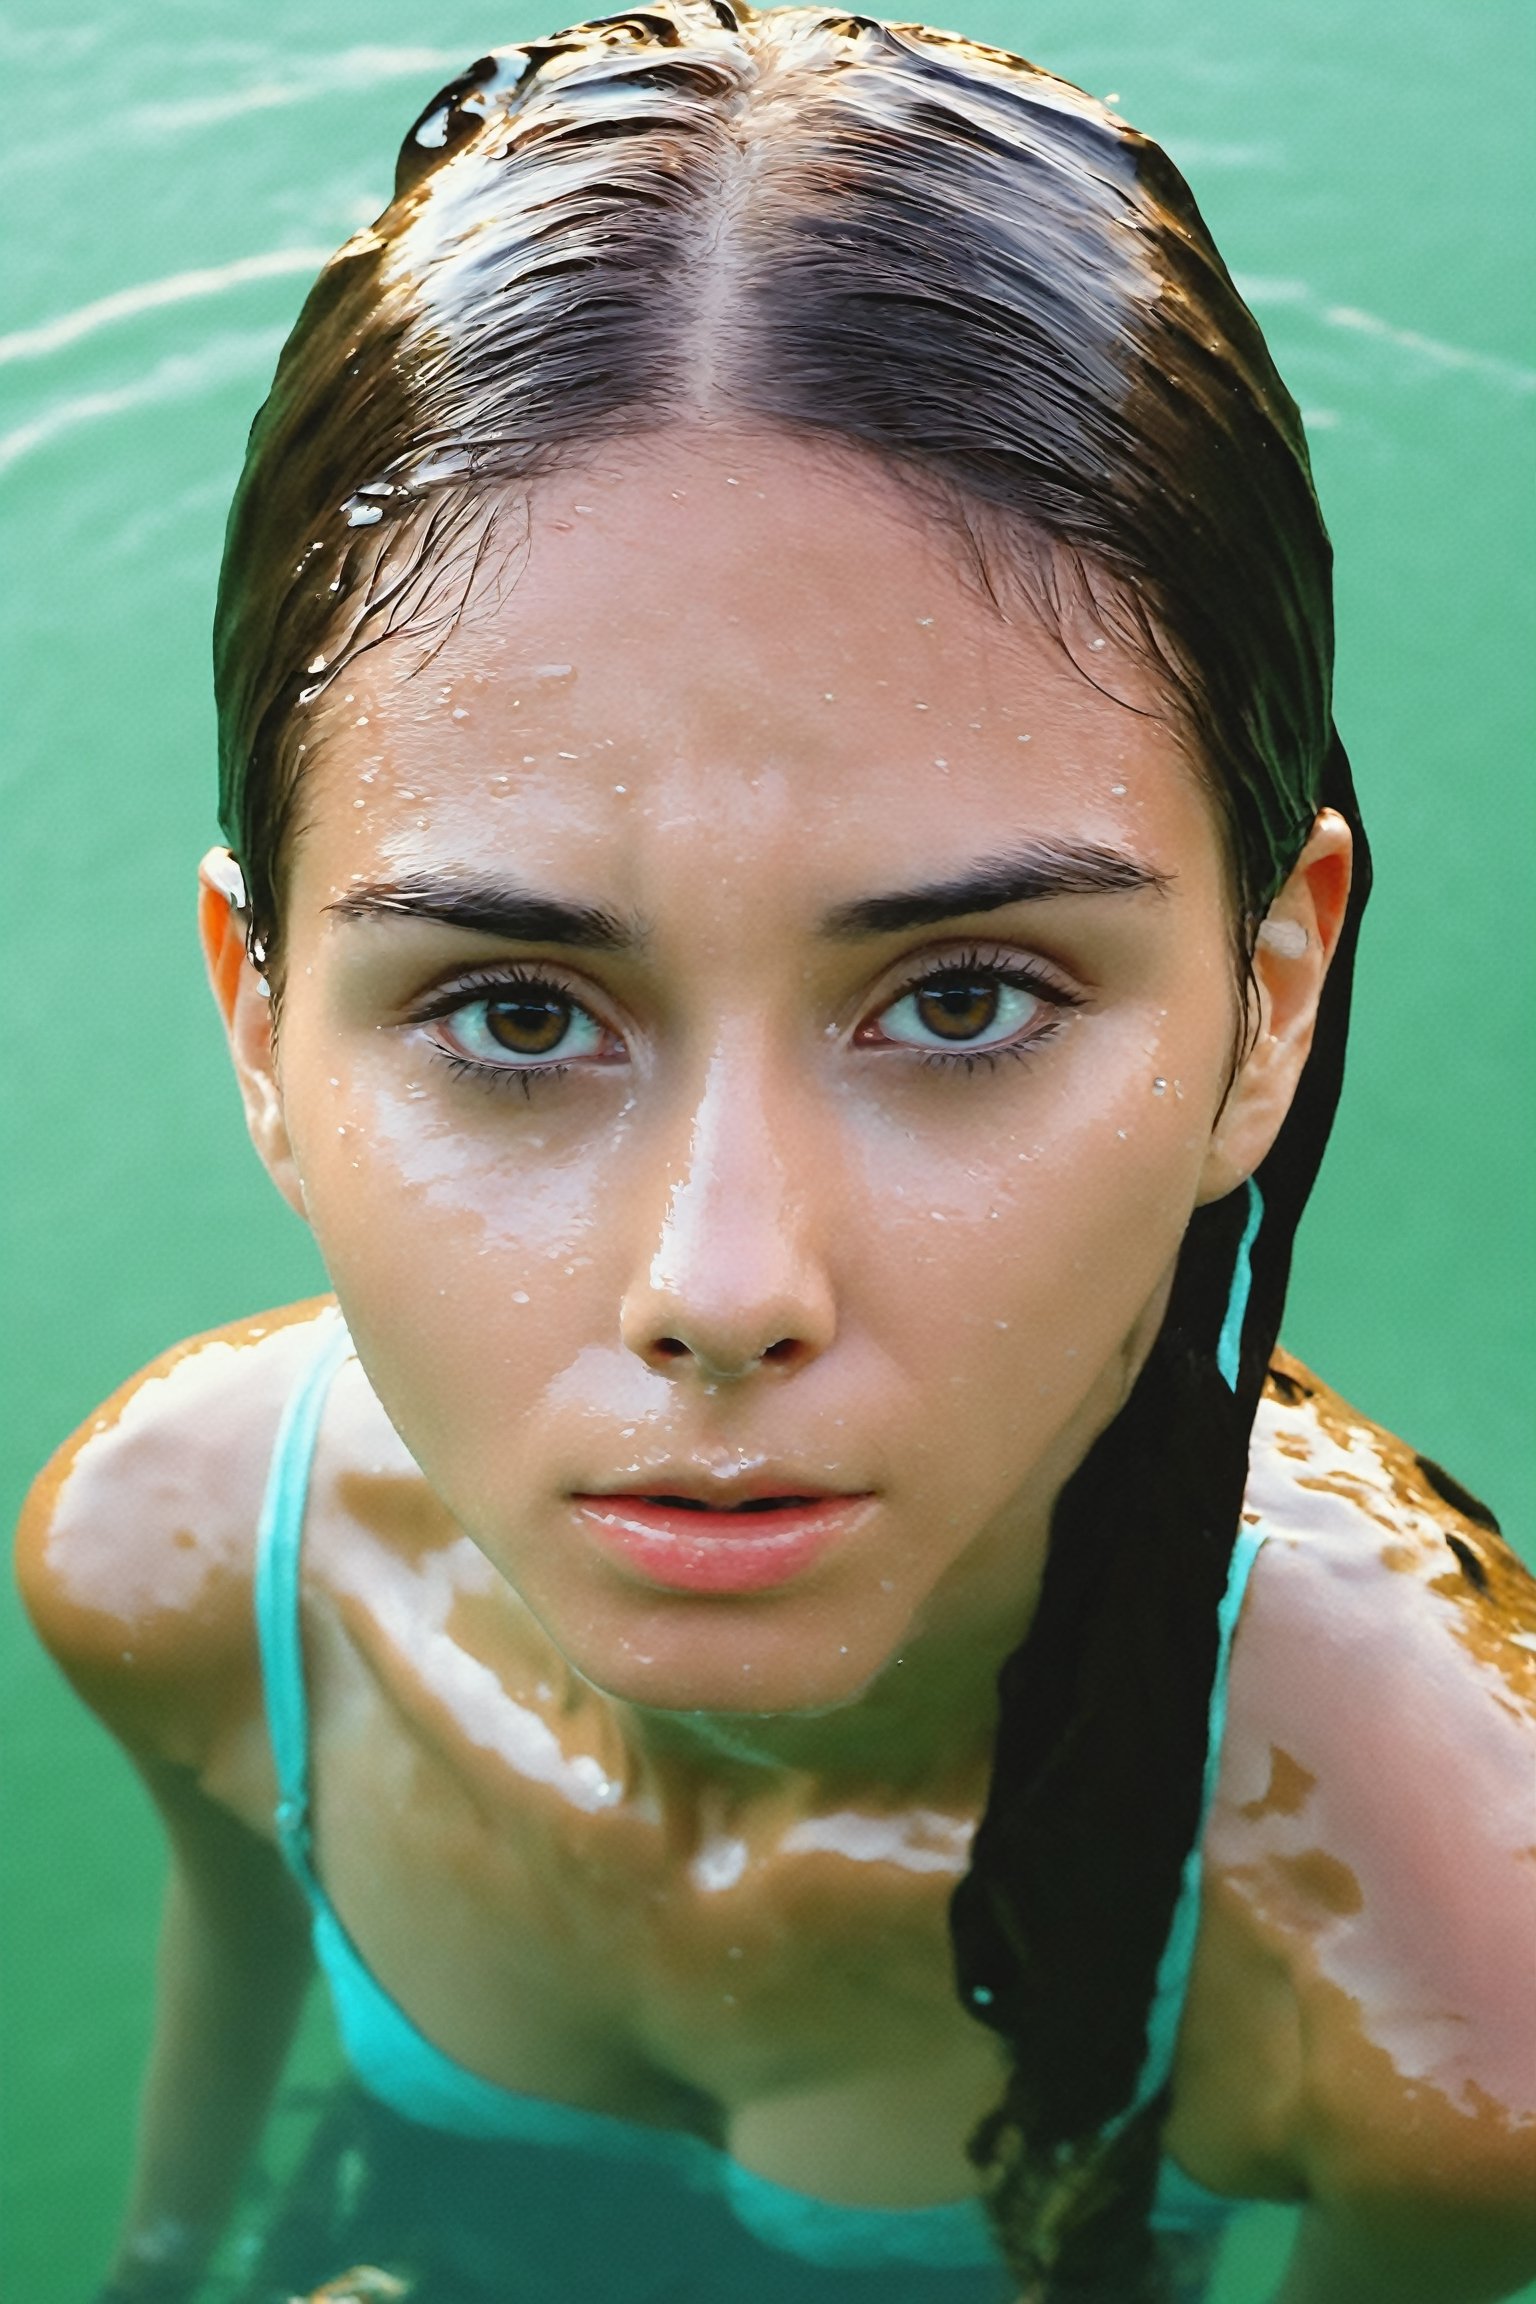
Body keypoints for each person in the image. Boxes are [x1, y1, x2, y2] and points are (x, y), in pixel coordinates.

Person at [15, 7, 1536, 2301]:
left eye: (962, 998)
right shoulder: (177, 1573)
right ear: (258, 1023)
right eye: (517, 1011)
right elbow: (200, 2178)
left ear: (1272, 1000)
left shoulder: (1454, 1971)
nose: (724, 1281)